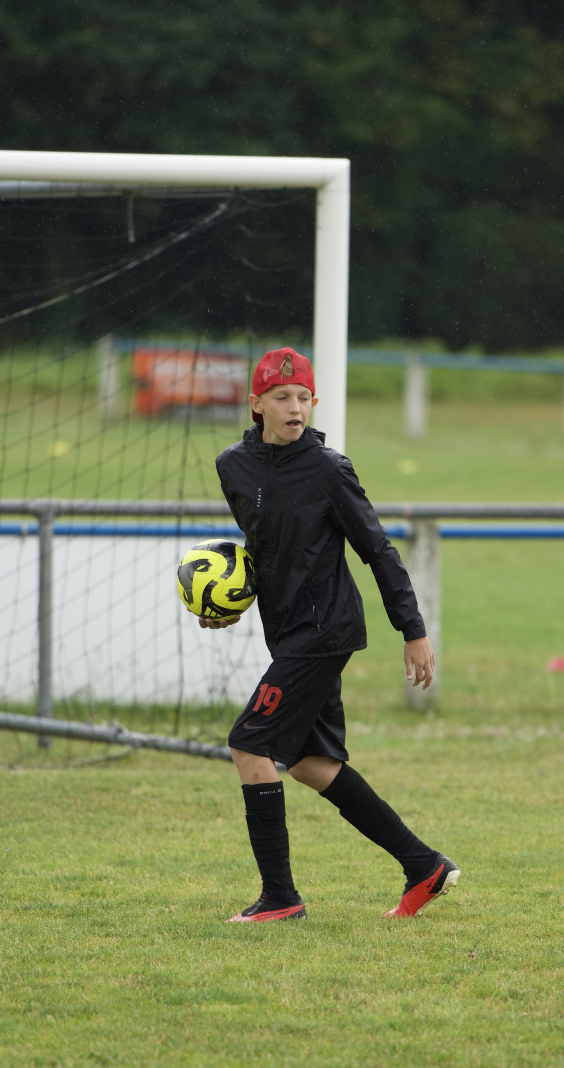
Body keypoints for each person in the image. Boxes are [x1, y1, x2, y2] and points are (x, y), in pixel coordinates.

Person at [203, 346, 458, 923]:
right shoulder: (232, 467)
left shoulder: (329, 469)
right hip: (285, 630)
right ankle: (424, 866)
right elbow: (265, 550)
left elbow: (379, 550)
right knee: (310, 763)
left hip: (325, 630)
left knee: (248, 743)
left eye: (304, 398)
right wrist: (228, 604)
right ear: (256, 404)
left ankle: (280, 898)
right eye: (282, 398)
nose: (295, 408)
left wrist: (413, 629)